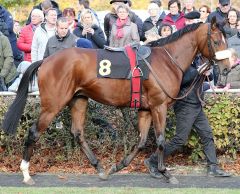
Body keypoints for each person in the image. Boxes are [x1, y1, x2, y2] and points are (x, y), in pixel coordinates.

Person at [144, 11, 232, 179]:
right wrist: (199, 71)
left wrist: (208, 72)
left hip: (196, 102)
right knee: (179, 139)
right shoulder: (181, 54)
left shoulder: (200, 53)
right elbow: (181, 79)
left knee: (207, 134)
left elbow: (209, 76)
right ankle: (153, 161)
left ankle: (213, 167)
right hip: (185, 102)